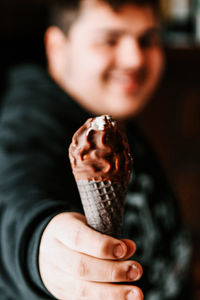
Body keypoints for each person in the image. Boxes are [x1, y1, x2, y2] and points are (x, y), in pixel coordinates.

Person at [0, 0, 192, 299]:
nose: (134, 59)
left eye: (147, 39)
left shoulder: (116, 121)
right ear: (57, 48)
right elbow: (14, 196)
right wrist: (39, 248)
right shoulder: (29, 120)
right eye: (109, 40)